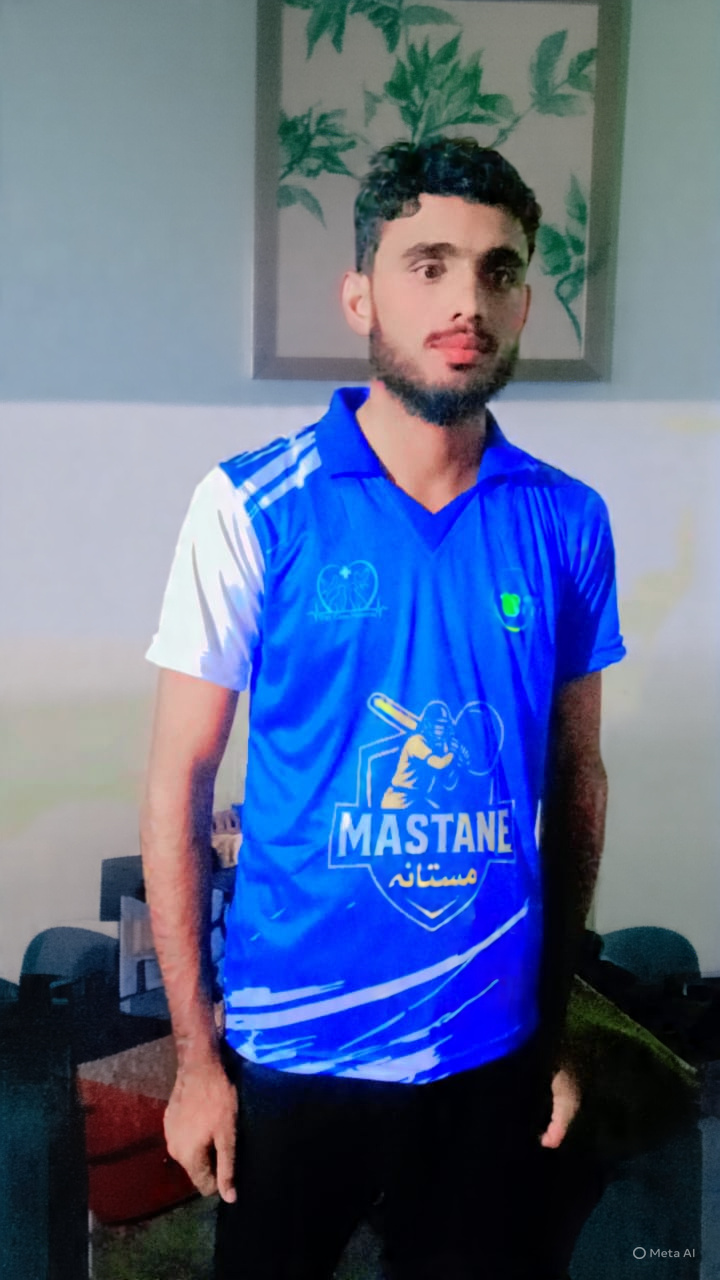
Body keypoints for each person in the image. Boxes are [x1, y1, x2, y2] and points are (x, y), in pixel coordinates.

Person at [140, 137, 626, 1279]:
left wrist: (554, 1025)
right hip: (294, 1048)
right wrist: (196, 1060)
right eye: (429, 264)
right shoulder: (252, 504)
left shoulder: (568, 520)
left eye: (499, 271)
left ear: (524, 302)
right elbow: (178, 784)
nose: (467, 301)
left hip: (488, 1047)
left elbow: (578, 780)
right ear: (359, 294)